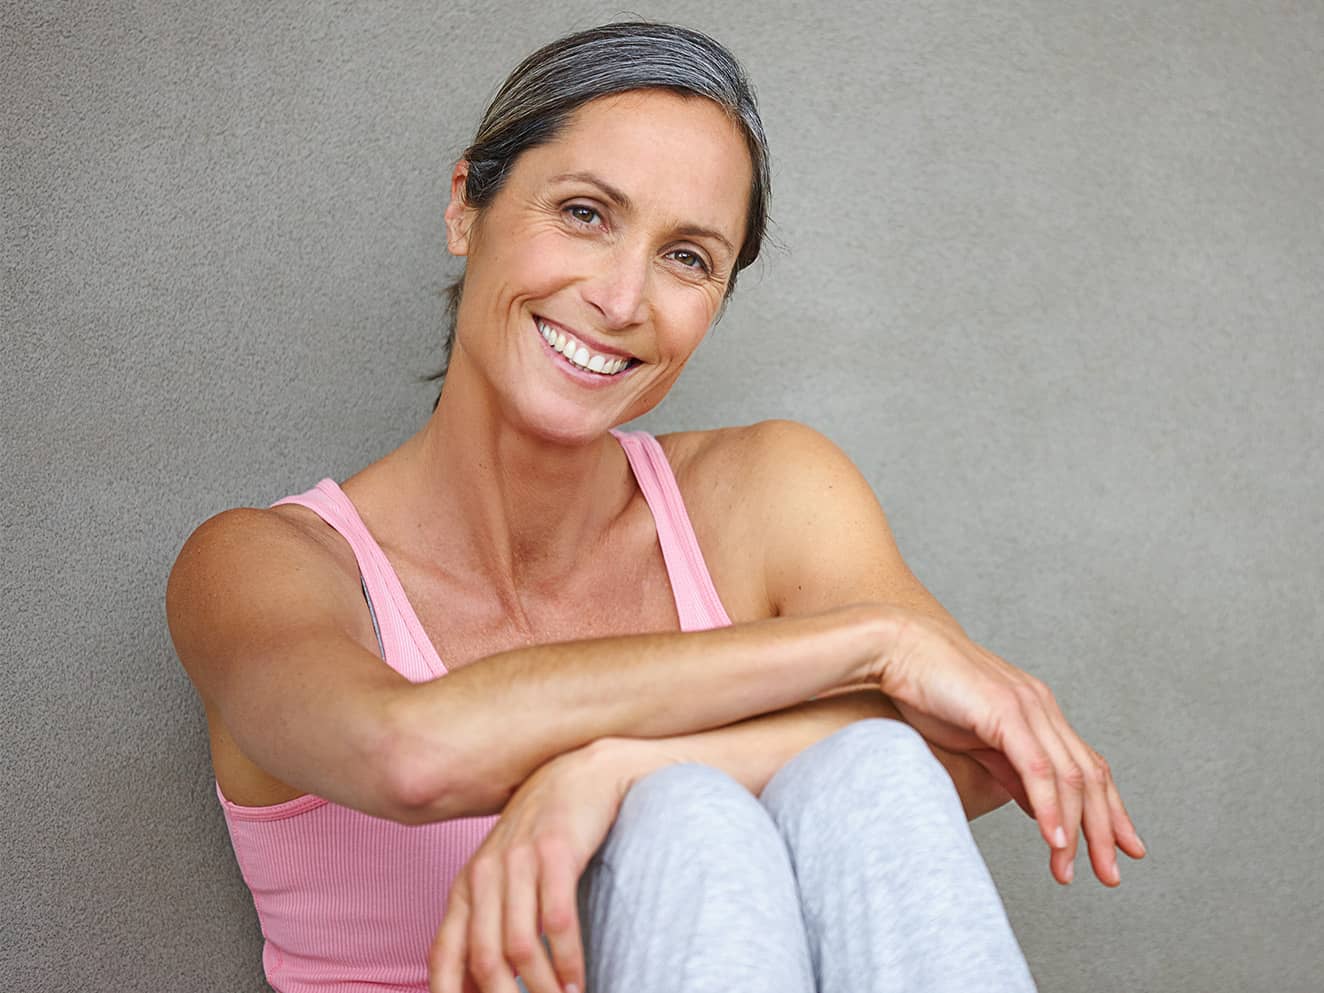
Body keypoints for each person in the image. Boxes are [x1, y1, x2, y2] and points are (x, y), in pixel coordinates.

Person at [165, 20, 1146, 993]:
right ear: (467, 204)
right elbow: (409, 751)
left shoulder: (767, 490)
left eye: (687, 258)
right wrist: (873, 643)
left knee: (861, 776)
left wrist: (602, 774)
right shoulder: (263, 563)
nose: (623, 296)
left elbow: (972, 750)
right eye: (585, 213)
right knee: (693, 816)